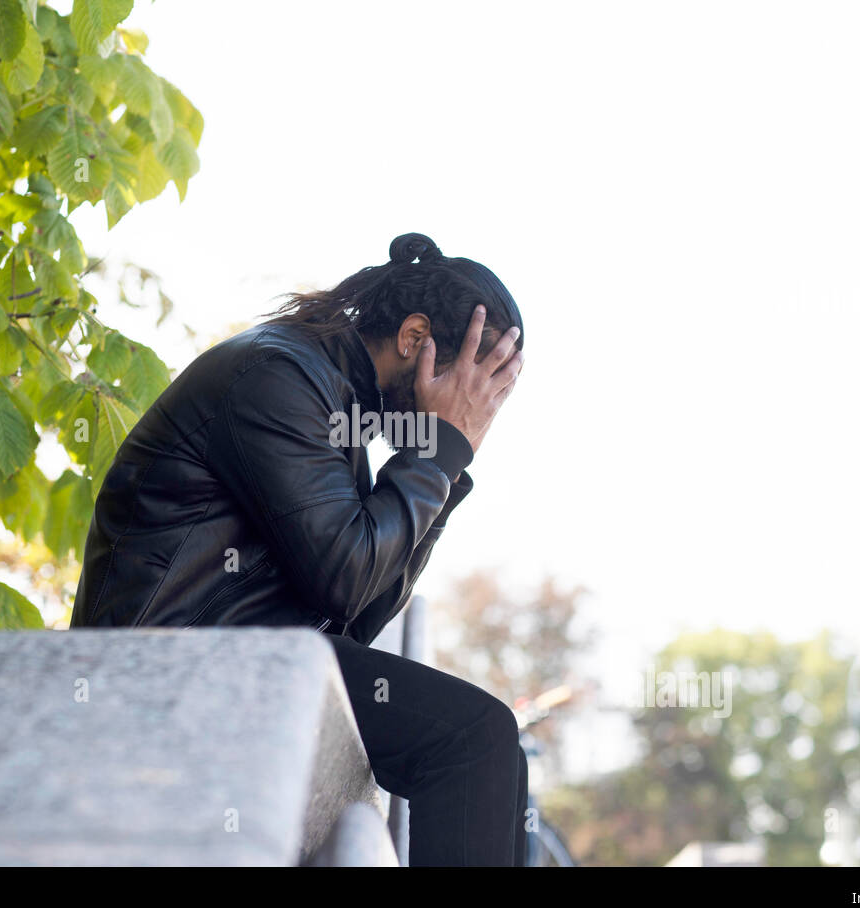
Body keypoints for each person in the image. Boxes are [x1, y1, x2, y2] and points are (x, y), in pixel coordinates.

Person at [70, 232, 527, 865]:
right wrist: (437, 454)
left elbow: (356, 614)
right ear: (414, 338)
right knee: (471, 739)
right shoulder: (279, 375)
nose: (468, 414)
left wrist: (442, 475)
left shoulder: (338, 408)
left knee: (486, 748)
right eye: (466, 384)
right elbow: (344, 578)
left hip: (251, 663)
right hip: (166, 670)